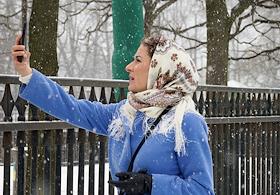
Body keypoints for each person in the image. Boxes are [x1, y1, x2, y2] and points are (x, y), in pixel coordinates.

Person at [12, 34, 215, 195]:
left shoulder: (186, 121)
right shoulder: (126, 112)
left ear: (159, 70)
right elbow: (74, 108)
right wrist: (27, 74)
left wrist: (151, 184)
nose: (129, 67)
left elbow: (202, 189)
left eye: (137, 60)